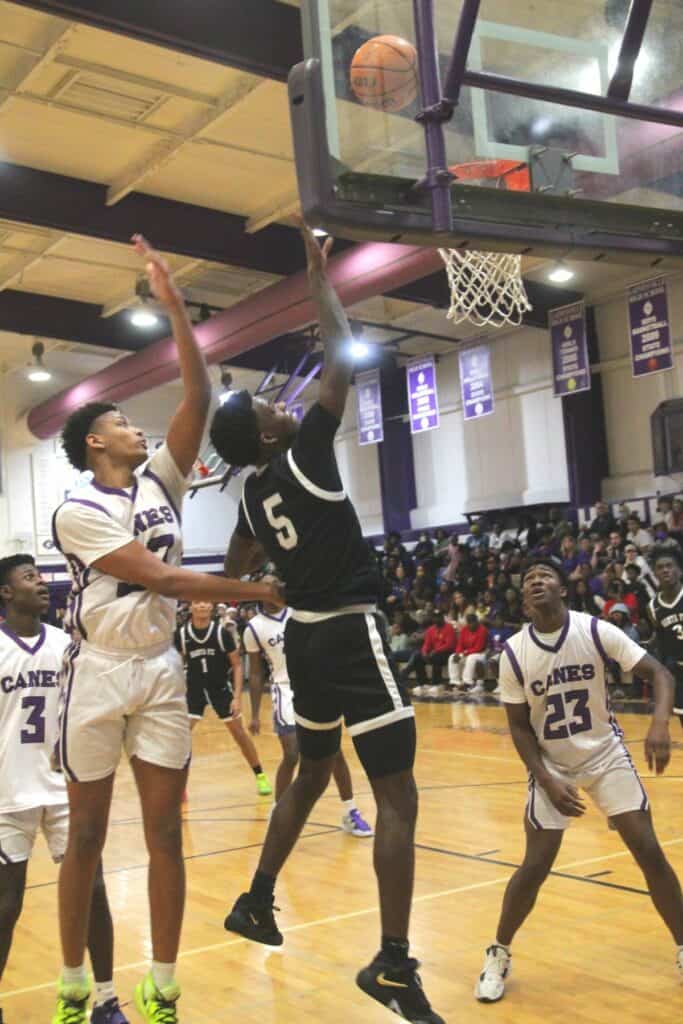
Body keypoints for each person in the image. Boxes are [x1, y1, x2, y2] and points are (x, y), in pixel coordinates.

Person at [209, 222, 444, 1023]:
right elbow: (342, 356)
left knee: (310, 773)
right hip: (348, 629)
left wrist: (268, 584)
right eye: (267, 404)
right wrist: (318, 277)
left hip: (304, 637)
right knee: (399, 800)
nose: (280, 400)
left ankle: (256, 898)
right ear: (270, 433)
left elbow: (235, 573)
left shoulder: (245, 497)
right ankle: (391, 962)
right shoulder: (305, 451)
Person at [50, 236, 282, 1024]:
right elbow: (163, 580)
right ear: (96, 442)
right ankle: (75, 985)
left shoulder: (160, 483)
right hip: (99, 669)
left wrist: (176, 307)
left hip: (158, 667)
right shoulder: (76, 510)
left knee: (164, 835)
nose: (137, 429)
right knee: (84, 838)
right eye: (122, 423)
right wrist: (258, 588)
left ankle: (164, 984)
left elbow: (196, 398)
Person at [475, 557, 683, 1003]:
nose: (535, 582)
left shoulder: (594, 630)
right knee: (535, 865)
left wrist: (661, 723)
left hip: (606, 756)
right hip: (553, 765)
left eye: (544, 576)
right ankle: (498, 952)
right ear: (524, 600)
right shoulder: (513, 652)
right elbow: (517, 727)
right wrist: (546, 780)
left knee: (647, 849)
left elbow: (661, 674)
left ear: (562, 588)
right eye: (528, 579)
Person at [0, 556, 128, 1024]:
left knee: (92, 891)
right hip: (7, 792)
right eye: (28, 577)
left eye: (41, 574)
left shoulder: (68, 645)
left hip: (62, 788)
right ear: (6, 593)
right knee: (6, 904)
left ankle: (107, 999)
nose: (41, 583)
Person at [244, 592, 373, 836]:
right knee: (292, 754)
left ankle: (351, 812)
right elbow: (257, 673)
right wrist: (254, 713)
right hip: (283, 691)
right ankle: (279, 810)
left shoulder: (298, 611)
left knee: (334, 752)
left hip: (315, 685)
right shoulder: (253, 628)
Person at [175, 601, 272, 796]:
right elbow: (177, 665)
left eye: (205, 603)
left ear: (211, 608)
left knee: (240, 735)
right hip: (194, 690)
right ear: (191, 607)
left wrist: (237, 697)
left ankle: (260, 775)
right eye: (197, 603)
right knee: (182, 738)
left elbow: (236, 665)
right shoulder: (182, 634)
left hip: (219, 688)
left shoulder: (221, 633)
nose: (201, 606)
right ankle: (180, 785)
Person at [649, 546, 683, 731]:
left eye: (669, 566)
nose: (665, 570)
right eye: (660, 567)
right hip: (679, 674)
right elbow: (660, 644)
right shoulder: (653, 607)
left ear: (679, 570)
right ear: (655, 573)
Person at [399, 610, 457, 693]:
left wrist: (436, 651)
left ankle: (437, 684)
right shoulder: (431, 629)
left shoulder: (449, 628)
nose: (437, 619)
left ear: (442, 618)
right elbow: (427, 644)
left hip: (446, 653)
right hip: (433, 653)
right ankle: (423, 683)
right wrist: (425, 652)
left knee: (437, 656)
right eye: (435, 617)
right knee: (418, 656)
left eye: (439, 617)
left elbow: (450, 645)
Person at [449, 613, 489, 692]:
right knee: (452, 657)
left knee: (471, 658)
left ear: (476, 622)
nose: (471, 624)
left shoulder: (482, 630)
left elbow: (479, 648)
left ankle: (467, 683)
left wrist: (463, 653)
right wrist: (458, 653)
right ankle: (455, 682)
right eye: (469, 622)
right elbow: (460, 644)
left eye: (473, 622)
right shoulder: (465, 629)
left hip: (481, 653)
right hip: (467, 653)